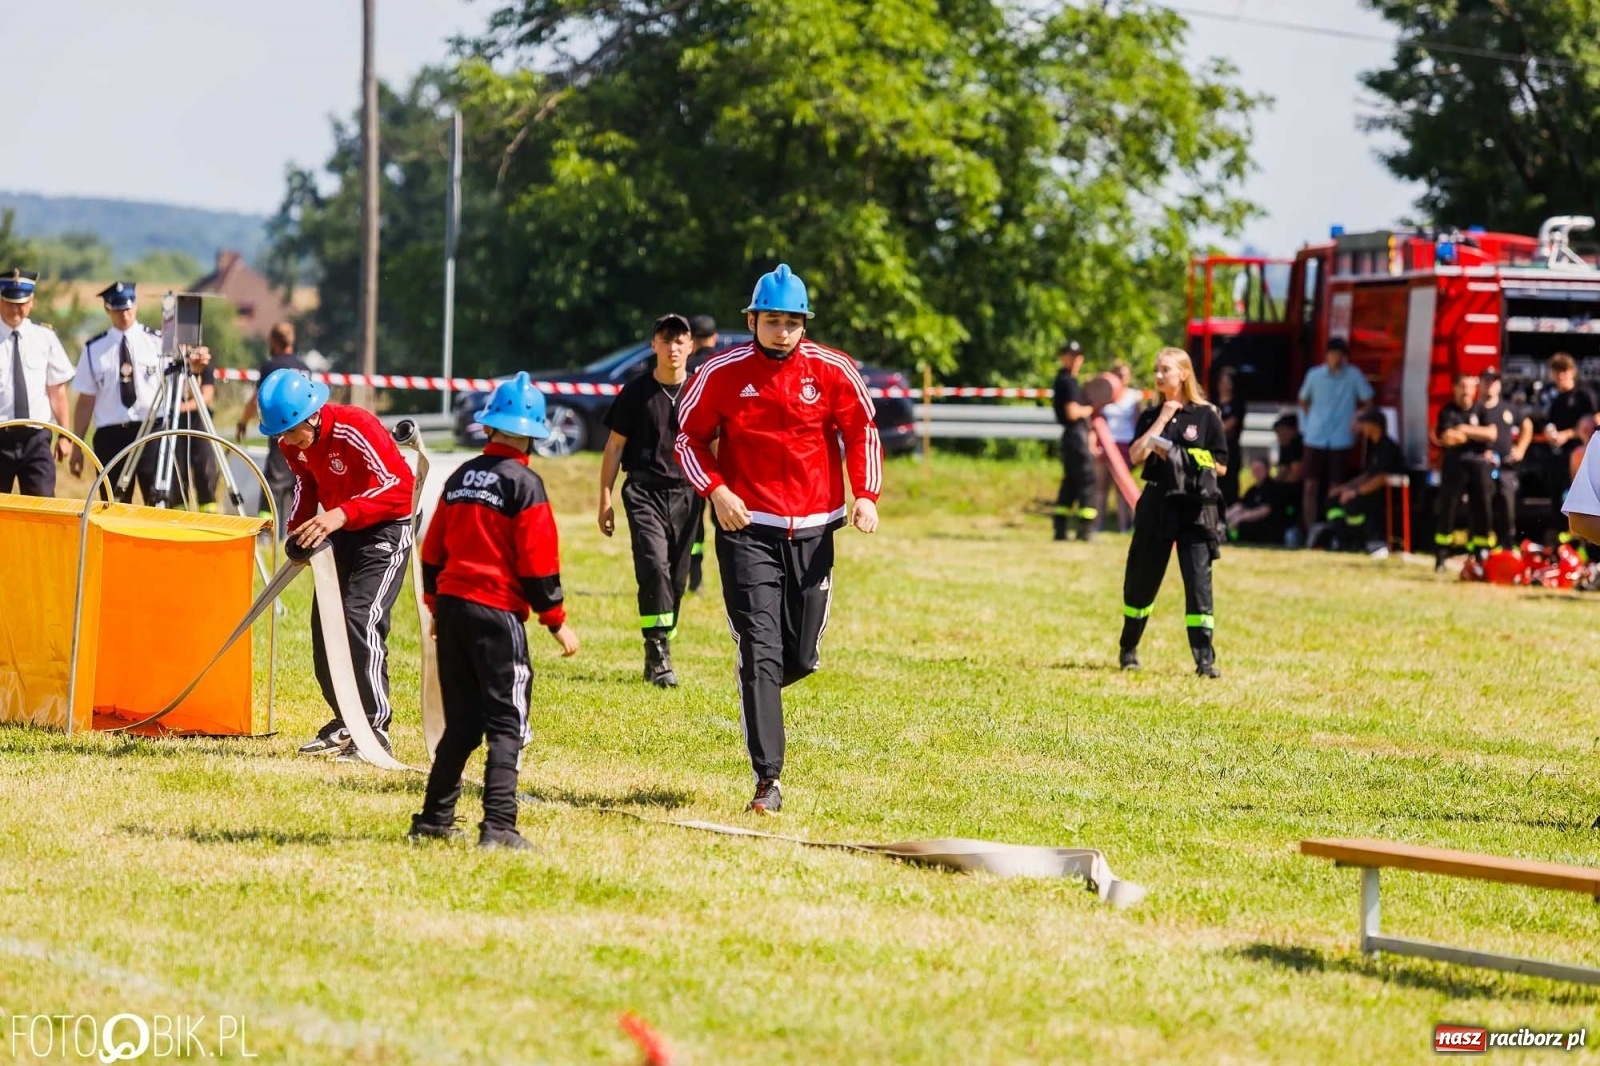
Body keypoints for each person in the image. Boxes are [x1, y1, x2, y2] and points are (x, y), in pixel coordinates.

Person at [675, 264, 882, 813]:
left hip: (815, 531)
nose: (783, 331)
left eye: (793, 321)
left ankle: (758, 684)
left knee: (801, 655)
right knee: (760, 650)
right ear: (752, 320)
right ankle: (768, 781)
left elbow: (861, 432)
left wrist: (865, 495)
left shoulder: (834, 370)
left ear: (804, 325)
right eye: (772, 320)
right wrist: (717, 492)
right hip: (747, 531)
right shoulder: (719, 371)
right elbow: (688, 440)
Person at [413, 373, 579, 851]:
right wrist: (556, 621)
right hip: (496, 616)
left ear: (487, 428)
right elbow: (538, 563)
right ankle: (499, 827)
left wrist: (435, 607)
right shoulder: (525, 484)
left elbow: (433, 551)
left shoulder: (461, 476)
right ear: (533, 433)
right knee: (506, 724)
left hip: (453, 609)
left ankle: (435, 819)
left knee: (462, 724)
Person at [255, 368, 416, 762]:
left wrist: (341, 514)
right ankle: (346, 719)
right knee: (326, 625)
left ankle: (373, 728)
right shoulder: (293, 445)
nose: (285, 441)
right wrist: (297, 532)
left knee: (358, 617)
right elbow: (305, 485)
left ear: (312, 415)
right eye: (279, 433)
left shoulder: (355, 426)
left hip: (387, 528)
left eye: (290, 430)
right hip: (342, 526)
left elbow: (401, 487)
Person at [598, 313, 705, 687]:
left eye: (680, 340)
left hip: (689, 493)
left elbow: (718, 445)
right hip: (643, 491)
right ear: (653, 345)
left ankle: (662, 638)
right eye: (666, 339)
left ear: (691, 346)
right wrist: (605, 499)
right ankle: (657, 651)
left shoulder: (701, 392)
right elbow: (614, 448)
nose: (673, 347)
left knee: (677, 578)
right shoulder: (635, 393)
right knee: (654, 566)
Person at [1118, 347, 1228, 678]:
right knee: (1141, 580)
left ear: (1184, 373)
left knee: (1198, 584)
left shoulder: (1207, 416)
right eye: (1156, 370)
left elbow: (1221, 465)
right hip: (1156, 505)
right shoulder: (1151, 416)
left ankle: (1204, 659)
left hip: (1195, 507)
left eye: (1165, 369)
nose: (1158, 375)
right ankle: (1129, 648)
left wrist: (1183, 456)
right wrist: (1164, 419)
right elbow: (1135, 456)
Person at [69, 281, 190, 505]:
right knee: (114, 503)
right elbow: (86, 400)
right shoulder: (94, 349)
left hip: (150, 431)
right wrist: (77, 446)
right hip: (111, 435)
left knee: (158, 501)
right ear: (107, 309)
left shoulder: (156, 342)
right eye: (118, 309)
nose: (124, 314)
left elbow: (178, 382)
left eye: (128, 307)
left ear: (136, 306)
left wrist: (194, 365)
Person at [0, 268, 74, 496]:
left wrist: (65, 435)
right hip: (1, 434)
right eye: (10, 302)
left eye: (22, 303)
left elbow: (57, 391)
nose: (16, 309)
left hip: (36, 437)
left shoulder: (44, 338)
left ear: (31, 302)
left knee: (42, 507)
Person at [237, 323, 312, 536]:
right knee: (300, 482)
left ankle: (265, 533)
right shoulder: (304, 367)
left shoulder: (272, 366)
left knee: (273, 483)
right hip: (306, 434)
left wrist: (243, 422)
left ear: (273, 341)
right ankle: (296, 531)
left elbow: (257, 400)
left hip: (283, 432)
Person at [1297, 338, 1373, 538]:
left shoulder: (1353, 375)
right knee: (1310, 485)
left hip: (1341, 438)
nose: (1337, 359)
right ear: (1327, 356)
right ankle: (1309, 531)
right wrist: (1314, 418)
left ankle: (1333, 531)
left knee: (1336, 486)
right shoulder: (1314, 375)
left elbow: (1368, 400)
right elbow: (1303, 400)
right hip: (1315, 436)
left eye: (1340, 356)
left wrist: (1357, 419)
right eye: (1333, 355)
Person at [1430, 374, 1495, 569]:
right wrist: (1475, 435)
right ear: (1455, 388)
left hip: (1479, 465)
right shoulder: (1447, 411)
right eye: (1462, 387)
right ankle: (1442, 553)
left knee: (1482, 507)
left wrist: (1463, 429)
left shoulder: (1481, 409)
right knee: (1448, 507)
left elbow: (1491, 433)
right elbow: (1448, 438)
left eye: (1470, 387)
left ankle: (1480, 552)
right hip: (1454, 464)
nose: (1466, 391)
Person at [1325, 408, 1407, 556]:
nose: (1361, 428)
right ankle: (1341, 539)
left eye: (1364, 423)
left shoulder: (1387, 447)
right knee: (1333, 501)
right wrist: (1344, 488)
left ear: (1374, 425)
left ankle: (1372, 542)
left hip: (1385, 494)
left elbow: (1381, 478)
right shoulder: (1371, 445)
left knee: (1354, 504)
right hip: (1369, 488)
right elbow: (1367, 474)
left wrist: (1355, 492)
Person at [1478, 369, 1532, 549]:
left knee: (1508, 508)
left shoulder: (1508, 408)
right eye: (1486, 381)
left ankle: (1508, 545)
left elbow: (1527, 425)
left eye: (1494, 381)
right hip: (1483, 468)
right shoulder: (1476, 408)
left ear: (1499, 384)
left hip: (1506, 467)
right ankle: (1484, 548)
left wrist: (1521, 449)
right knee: (1484, 509)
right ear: (1480, 383)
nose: (1490, 384)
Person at [686, 314, 720, 592]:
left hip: (695, 459)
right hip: (723, 456)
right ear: (715, 337)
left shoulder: (686, 368)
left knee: (692, 525)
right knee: (724, 520)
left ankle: (694, 579)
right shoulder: (722, 366)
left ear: (691, 340)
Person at [1051, 340, 1097, 541]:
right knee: (1087, 480)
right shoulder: (1068, 382)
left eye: (1077, 356)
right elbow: (1072, 412)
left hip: (1070, 437)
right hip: (1076, 436)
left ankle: (1060, 529)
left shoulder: (1065, 380)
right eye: (1071, 356)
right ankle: (1085, 531)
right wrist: (1090, 410)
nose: (1075, 360)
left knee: (1070, 482)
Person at [1541, 352, 1594, 513]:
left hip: (1579, 452)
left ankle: (1578, 536)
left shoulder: (1583, 395)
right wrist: (1549, 432)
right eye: (1557, 371)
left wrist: (1568, 434)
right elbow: (1548, 421)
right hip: (1558, 453)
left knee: (1577, 496)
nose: (1560, 375)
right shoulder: (1553, 397)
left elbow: (1590, 423)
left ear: (1572, 371)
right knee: (1557, 495)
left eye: (1564, 371)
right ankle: (1561, 536)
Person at [1095, 362, 1140, 532]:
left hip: (1124, 444)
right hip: (1105, 443)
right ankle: (1097, 525)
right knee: (1101, 487)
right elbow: (1095, 418)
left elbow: (1136, 422)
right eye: (1119, 374)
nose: (1122, 377)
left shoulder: (1133, 397)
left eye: (1125, 374)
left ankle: (1123, 526)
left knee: (1122, 488)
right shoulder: (1104, 395)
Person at [1225, 458, 1288, 546]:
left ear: (1267, 469)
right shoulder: (1252, 490)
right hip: (1253, 523)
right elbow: (1240, 505)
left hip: (1269, 528)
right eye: (1254, 469)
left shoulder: (1273, 488)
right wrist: (1224, 517)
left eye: (1260, 469)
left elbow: (1265, 510)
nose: (1257, 472)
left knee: (1243, 526)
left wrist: (1240, 518)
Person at [1214, 366, 1244, 507]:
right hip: (1213, 449)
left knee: (1230, 481)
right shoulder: (1213, 402)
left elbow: (1227, 425)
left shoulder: (1237, 404)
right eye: (1222, 382)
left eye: (1227, 382)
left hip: (1230, 448)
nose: (1224, 386)